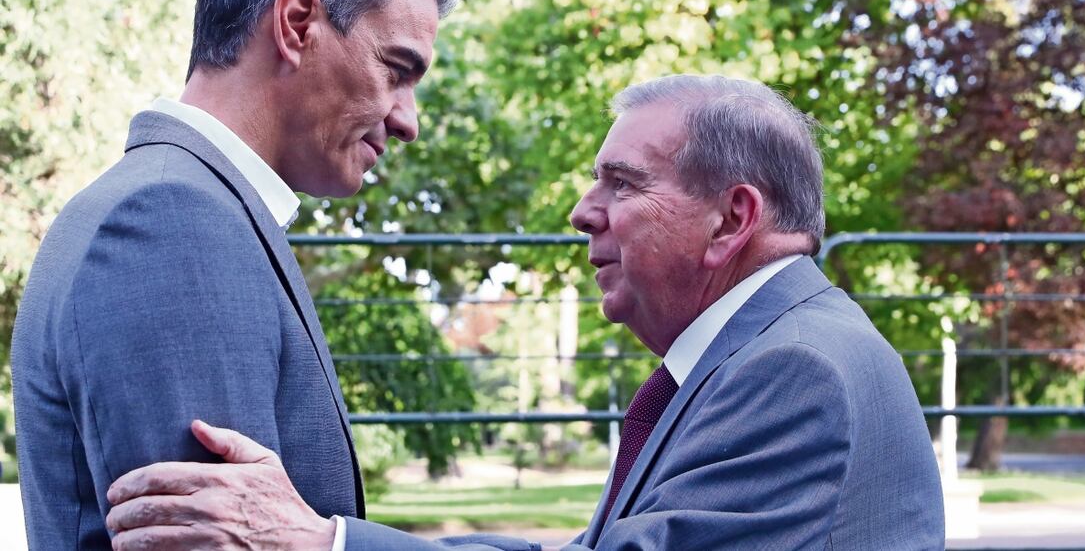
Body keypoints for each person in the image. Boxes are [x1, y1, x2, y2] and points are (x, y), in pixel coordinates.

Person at [104, 75, 946, 550]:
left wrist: (320, 545)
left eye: (622, 183)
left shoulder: (795, 370)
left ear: (733, 219)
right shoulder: (776, 349)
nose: (583, 211)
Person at [10, 0, 454, 549]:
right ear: (298, 21)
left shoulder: (180, 203)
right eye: (396, 70)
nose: (408, 120)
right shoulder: (172, 223)